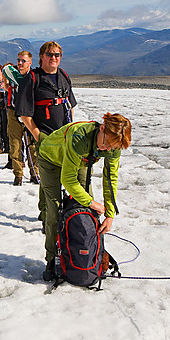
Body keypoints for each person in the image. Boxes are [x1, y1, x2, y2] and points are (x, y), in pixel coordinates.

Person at [36, 113, 132, 281]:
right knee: (55, 210)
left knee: (88, 213)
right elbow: (68, 179)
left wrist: (109, 214)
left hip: (81, 161)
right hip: (50, 159)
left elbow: (110, 179)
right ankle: (52, 259)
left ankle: (89, 257)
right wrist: (91, 202)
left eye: (112, 148)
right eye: (106, 144)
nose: (107, 149)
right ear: (102, 128)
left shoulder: (113, 146)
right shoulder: (80, 137)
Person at [16, 41, 77, 220]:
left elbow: (69, 104)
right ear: (42, 56)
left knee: (54, 178)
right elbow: (25, 115)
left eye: (57, 55)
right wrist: (39, 136)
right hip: (46, 137)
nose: (53, 58)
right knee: (50, 179)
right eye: (50, 54)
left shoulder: (63, 76)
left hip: (65, 137)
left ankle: (46, 212)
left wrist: (71, 129)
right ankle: (48, 216)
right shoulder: (33, 78)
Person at [3, 51, 39, 186]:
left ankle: (35, 173)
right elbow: (5, 69)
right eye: (18, 60)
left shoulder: (34, 77)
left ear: (30, 62)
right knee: (15, 143)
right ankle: (18, 174)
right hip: (13, 111)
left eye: (23, 61)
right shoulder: (13, 74)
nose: (20, 63)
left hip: (30, 113)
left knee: (33, 144)